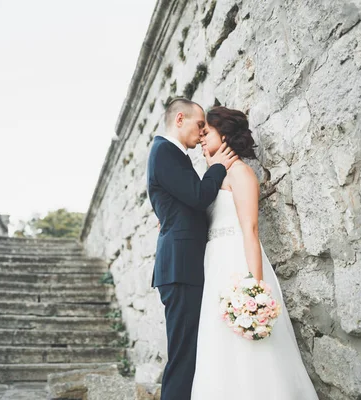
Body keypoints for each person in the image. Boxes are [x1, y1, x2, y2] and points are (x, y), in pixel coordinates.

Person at [190, 106, 318, 399]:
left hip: (238, 264)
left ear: (223, 134)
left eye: (206, 132)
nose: (200, 138)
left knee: (250, 348)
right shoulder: (212, 177)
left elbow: (250, 230)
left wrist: (255, 288)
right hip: (214, 267)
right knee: (219, 347)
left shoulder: (241, 173)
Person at [147, 99, 238, 400]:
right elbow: (198, 196)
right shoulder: (164, 152)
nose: (202, 133)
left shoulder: (171, 154)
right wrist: (218, 168)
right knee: (184, 357)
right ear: (180, 118)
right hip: (180, 268)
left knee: (189, 353)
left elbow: (181, 205)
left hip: (183, 266)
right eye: (200, 125)